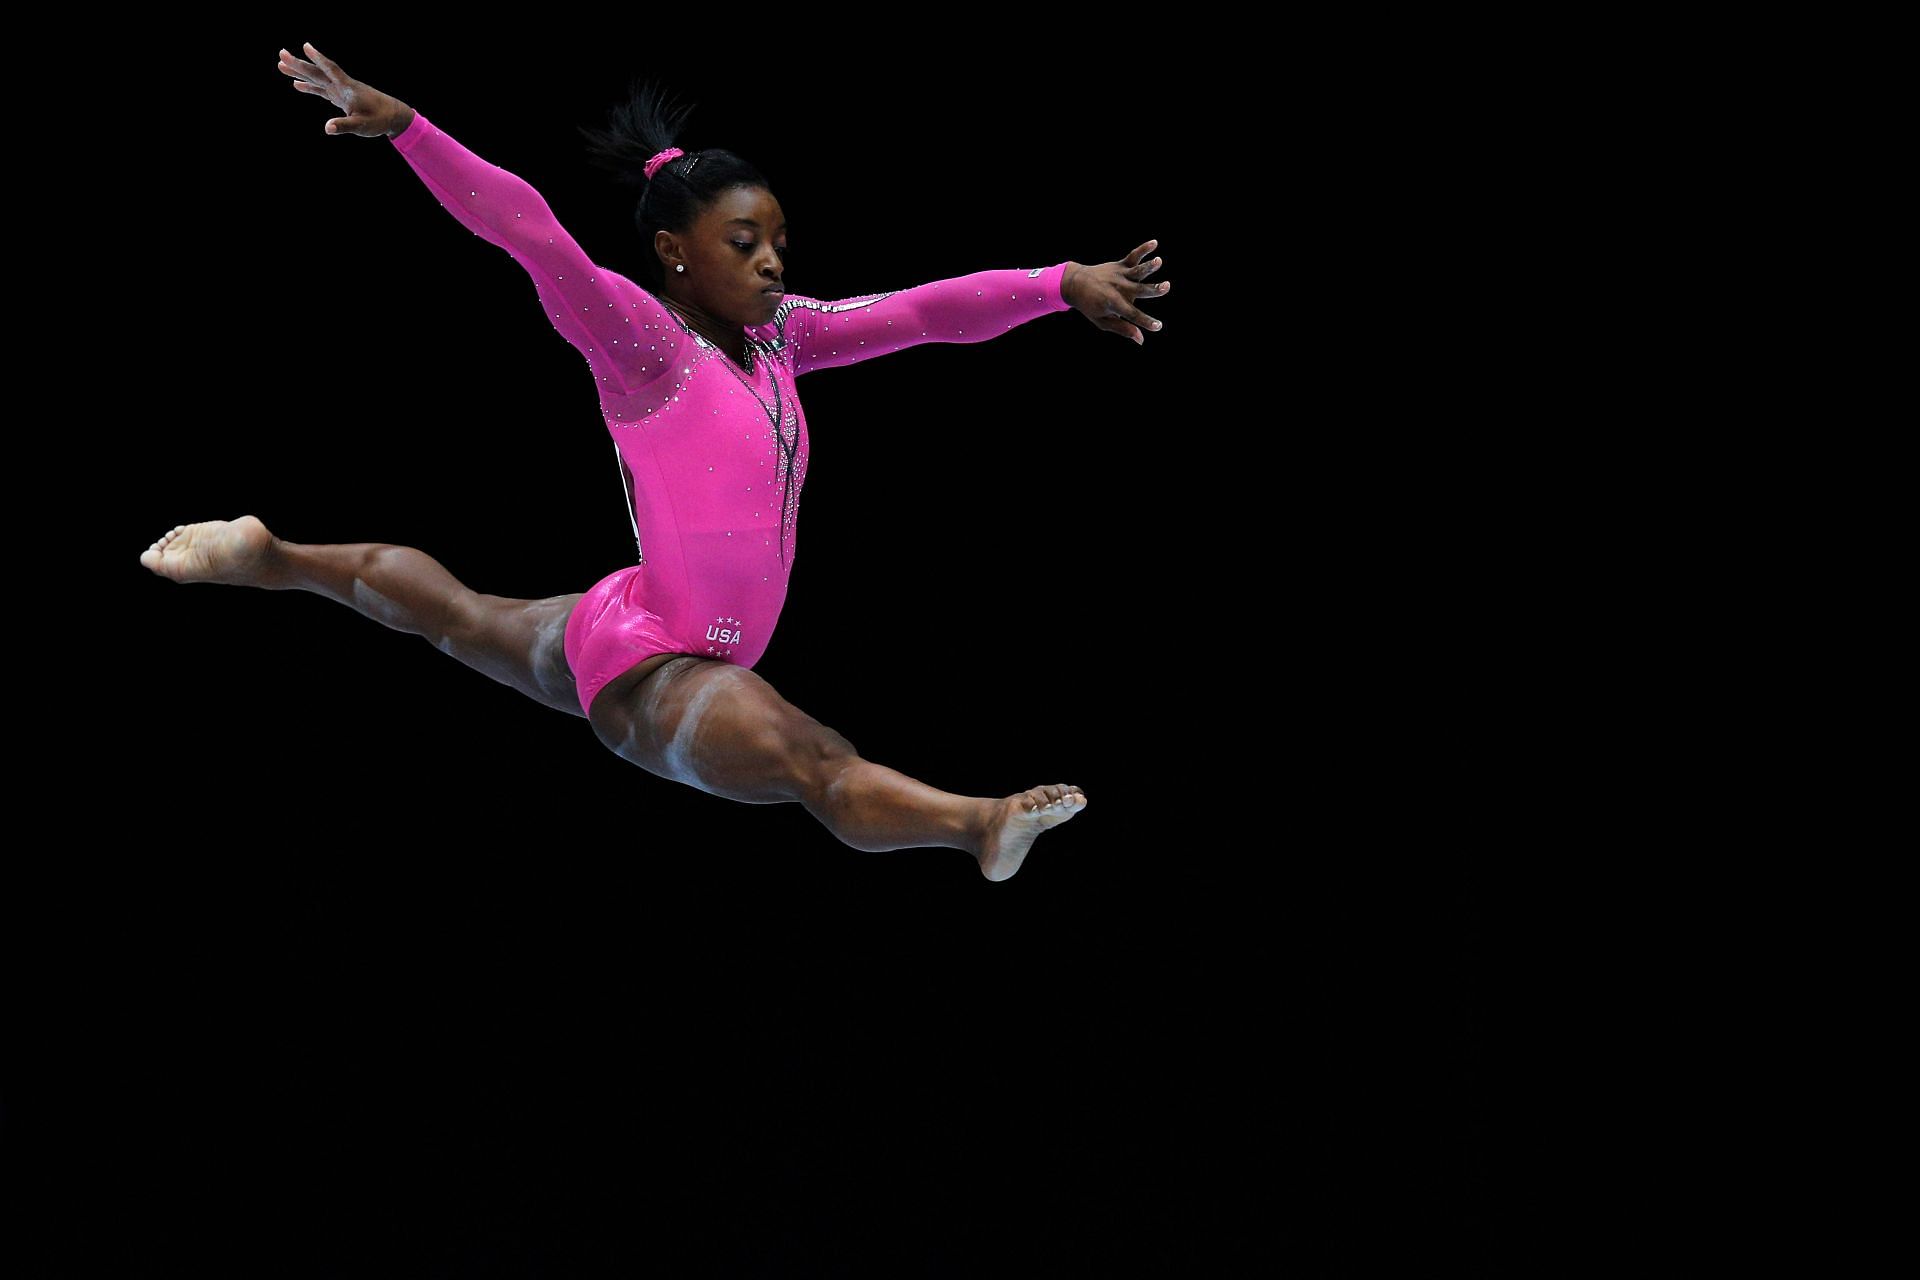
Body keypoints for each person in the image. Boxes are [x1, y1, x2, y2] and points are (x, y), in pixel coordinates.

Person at [140, 42, 1173, 881]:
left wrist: (1056, 282)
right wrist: (411, 130)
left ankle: (273, 554)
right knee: (814, 759)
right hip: (661, 670)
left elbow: (922, 312)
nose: (772, 261)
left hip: (631, 611)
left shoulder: (783, 340)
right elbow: (532, 235)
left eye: (778, 240)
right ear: (677, 250)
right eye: (743, 243)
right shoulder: (642, 341)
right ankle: (980, 820)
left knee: (456, 616)